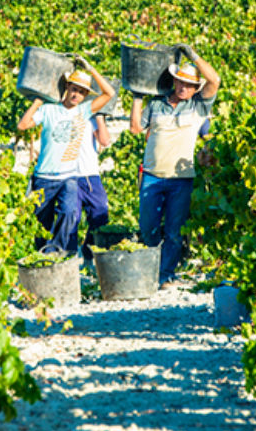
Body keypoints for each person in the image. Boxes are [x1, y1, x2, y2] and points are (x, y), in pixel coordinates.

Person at [130, 43, 220, 287]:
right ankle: (150, 271)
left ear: (194, 89)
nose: (183, 87)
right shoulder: (157, 104)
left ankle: (165, 274)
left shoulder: (198, 107)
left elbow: (215, 79)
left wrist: (192, 54)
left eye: (189, 85)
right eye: (180, 82)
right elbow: (136, 128)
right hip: (152, 175)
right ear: (174, 81)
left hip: (181, 178)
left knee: (174, 231)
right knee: (147, 227)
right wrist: (137, 97)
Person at [17, 56, 116, 256]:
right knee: (41, 223)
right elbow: (23, 125)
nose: (76, 95)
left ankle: (60, 251)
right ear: (66, 88)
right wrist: (38, 100)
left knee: (70, 212)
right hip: (44, 177)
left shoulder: (83, 111)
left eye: (81, 92)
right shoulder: (48, 109)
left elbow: (110, 93)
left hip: (68, 177)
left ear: (85, 95)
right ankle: (43, 256)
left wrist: (91, 69)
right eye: (73, 89)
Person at [73, 112, 112, 264]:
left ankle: (88, 252)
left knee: (100, 214)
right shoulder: (60, 112)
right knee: (70, 218)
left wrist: (100, 116)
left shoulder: (91, 116)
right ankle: (70, 257)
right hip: (67, 175)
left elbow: (105, 140)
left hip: (90, 174)